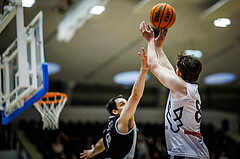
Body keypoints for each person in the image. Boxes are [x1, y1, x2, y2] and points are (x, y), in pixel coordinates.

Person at [139, 21, 210, 159]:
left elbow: (154, 66)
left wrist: (150, 42)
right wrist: (159, 48)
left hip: (186, 153)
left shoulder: (181, 87)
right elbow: (169, 72)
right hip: (193, 152)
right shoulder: (188, 87)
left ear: (179, 72)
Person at [80, 47, 149, 159]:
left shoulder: (109, 128)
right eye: (122, 104)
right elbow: (135, 97)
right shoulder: (122, 121)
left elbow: (101, 143)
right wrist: (144, 70)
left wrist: (93, 152)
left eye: (126, 102)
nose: (127, 105)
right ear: (115, 111)